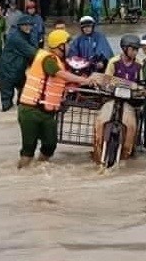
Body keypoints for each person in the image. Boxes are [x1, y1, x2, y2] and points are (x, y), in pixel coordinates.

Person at [17, 29, 97, 168]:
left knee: (50, 145)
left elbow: (60, 82)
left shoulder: (58, 61)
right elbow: (60, 74)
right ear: (60, 45)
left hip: (47, 113)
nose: (69, 47)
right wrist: (82, 80)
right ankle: (22, 171)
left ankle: (39, 168)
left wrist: (79, 83)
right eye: (67, 44)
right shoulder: (49, 59)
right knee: (28, 149)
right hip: (30, 110)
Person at [0, 14, 38, 112]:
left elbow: (34, 47)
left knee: (24, 90)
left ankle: (20, 107)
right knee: (7, 99)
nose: (28, 27)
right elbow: (33, 52)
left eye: (30, 25)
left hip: (18, 69)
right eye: (25, 25)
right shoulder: (17, 38)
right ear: (20, 26)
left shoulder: (26, 36)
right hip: (8, 69)